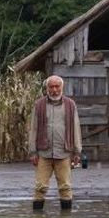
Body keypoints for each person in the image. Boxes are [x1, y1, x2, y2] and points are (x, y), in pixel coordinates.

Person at [28, 75, 82, 210]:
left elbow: (76, 128)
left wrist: (77, 151)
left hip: (64, 152)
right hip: (44, 153)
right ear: (47, 88)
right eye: (51, 87)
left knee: (65, 187)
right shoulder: (39, 105)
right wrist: (33, 151)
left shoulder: (70, 105)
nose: (54, 90)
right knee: (40, 187)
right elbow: (33, 128)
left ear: (62, 87)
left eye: (57, 86)